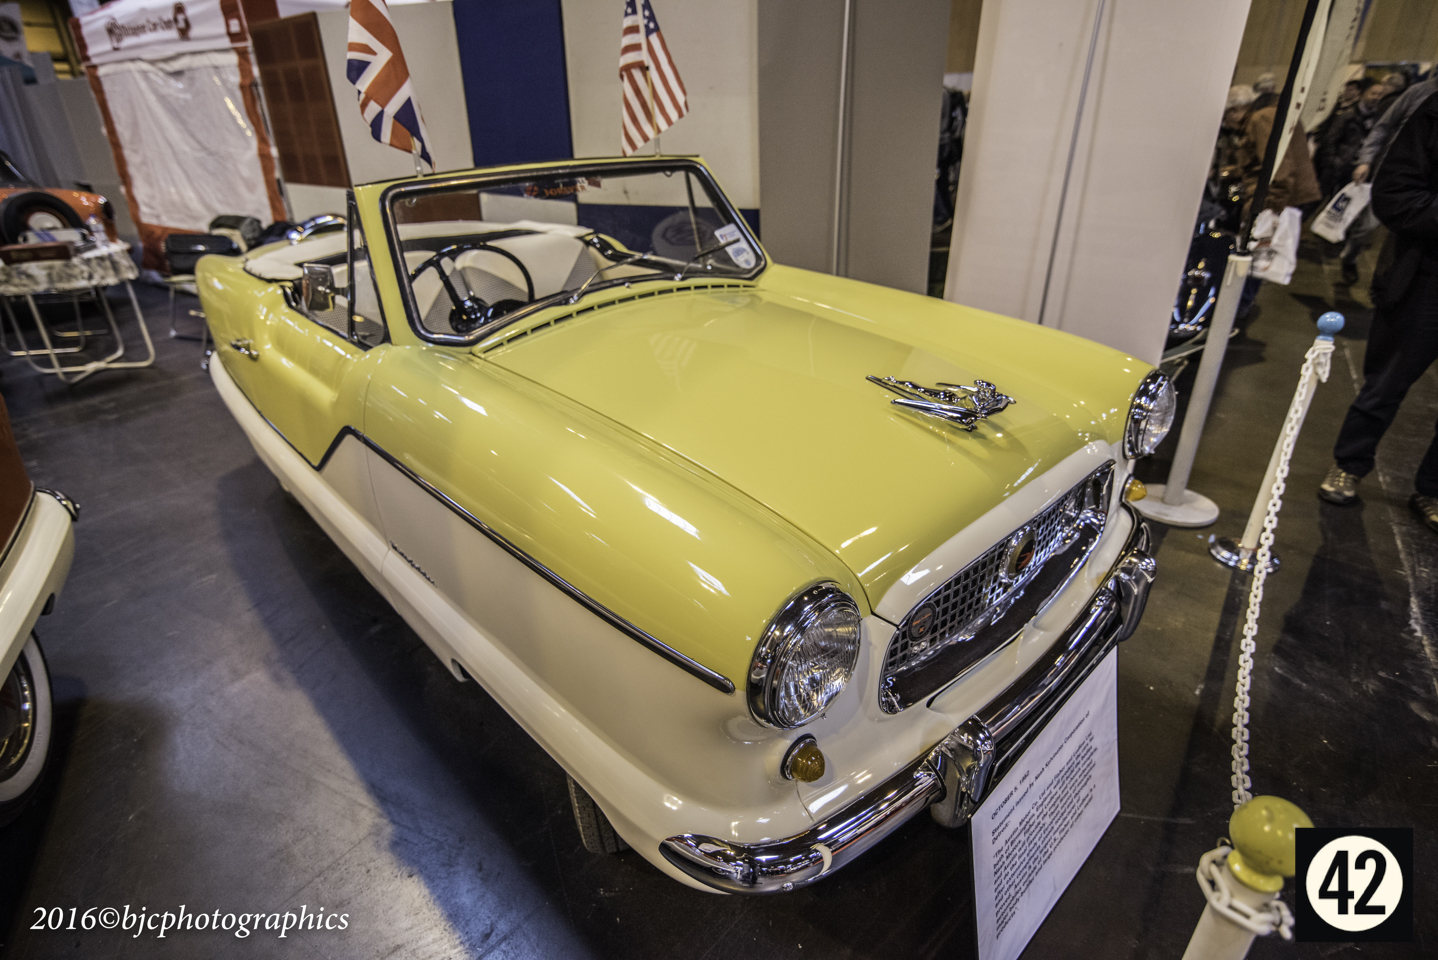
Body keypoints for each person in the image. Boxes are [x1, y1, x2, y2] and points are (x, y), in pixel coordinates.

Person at [1319, 90, 1438, 534]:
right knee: (1386, 381)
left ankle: (1433, 489)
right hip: (1425, 276)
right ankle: (1348, 464)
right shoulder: (1431, 108)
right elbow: (1395, 194)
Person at [1339, 75, 1438, 283]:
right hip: (1394, 176)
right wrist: (1365, 160)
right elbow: (1383, 126)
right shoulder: (1420, 92)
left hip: (1426, 192)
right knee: (1367, 226)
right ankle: (1350, 257)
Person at [1315, 79, 1384, 201]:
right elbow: (1331, 138)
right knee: (1320, 198)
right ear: (1363, 93)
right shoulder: (1348, 114)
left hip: (1355, 168)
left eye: (1380, 95)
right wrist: (1333, 161)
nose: (1376, 98)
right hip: (1337, 165)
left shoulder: (1377, 119)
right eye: (1373, 93)